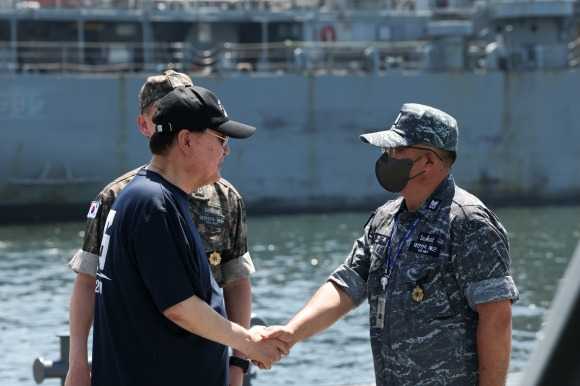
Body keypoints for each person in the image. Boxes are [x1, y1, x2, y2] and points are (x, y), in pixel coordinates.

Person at [263, 103, 520, 385]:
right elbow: (346, 285)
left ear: (429, 161)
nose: (387, 157)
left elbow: (496, 318)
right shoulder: (386, 218)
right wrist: (291, 332)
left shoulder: (468, 223)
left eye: (396, 150)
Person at [65, 71, 258, 386]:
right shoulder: (132, 199)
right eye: (220, 139)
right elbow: (92, 283)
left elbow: (235, 282)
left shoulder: (224, 198)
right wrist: (77, 365)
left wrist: (237, 365)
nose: (226, 151)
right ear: (148, 126)